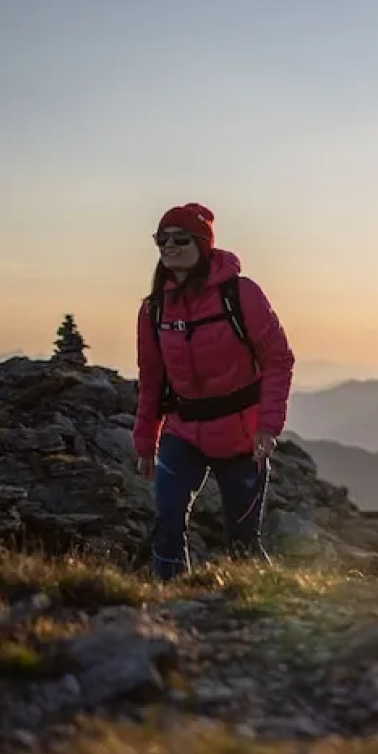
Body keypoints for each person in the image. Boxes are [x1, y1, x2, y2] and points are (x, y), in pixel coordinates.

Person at [132, 202, 296, 579]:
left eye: (180, 239)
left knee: (242, 541)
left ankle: (255, 605)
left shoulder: (241, 295)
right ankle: (170, 608)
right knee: (167, 521)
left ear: (203, 243)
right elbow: (152, 379)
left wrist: (268, 428)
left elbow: (278, 361)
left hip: (241, 437)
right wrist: (145, 442)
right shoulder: (154, 310)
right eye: (161, 239)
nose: (169, 247)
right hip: (182, 431)